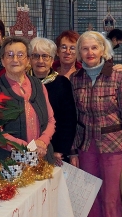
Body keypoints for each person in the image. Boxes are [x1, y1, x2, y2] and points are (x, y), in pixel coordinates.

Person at [69, 31, 122, 217]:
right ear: (80, 53)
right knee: (92, 198)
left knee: (110, 199)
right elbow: (75, 118)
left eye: (94, 48)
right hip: (86, 145)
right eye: (85, 49)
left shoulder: (118, 76)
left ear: (102, 50)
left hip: (113, 146)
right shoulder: (76, 79)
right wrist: (74, 151)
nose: (89, 53)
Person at [0, 36, 55, 164]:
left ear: (28, 60)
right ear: (2, 60)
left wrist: (42, 141)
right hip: (10, 161)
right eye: (10, 55)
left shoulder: (38, 85)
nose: (15, 60)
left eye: (20, 55)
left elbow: (51, 120)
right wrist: (26, 147)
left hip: (42, 156)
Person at [28, 37, 77, 166]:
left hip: (54, 149)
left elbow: (68, 120)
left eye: (45, 56)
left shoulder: (62, 83)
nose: (40, 61)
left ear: (52, 60)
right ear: (29, 59)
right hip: (27, 147)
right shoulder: (23, 82)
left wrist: (60, 149)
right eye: (36, 56)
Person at [53, 30, 122, 79]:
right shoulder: (49, 73)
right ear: (57, 51)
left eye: (72, 48)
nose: (68, 52)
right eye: (63, 47)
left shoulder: (85, 73)